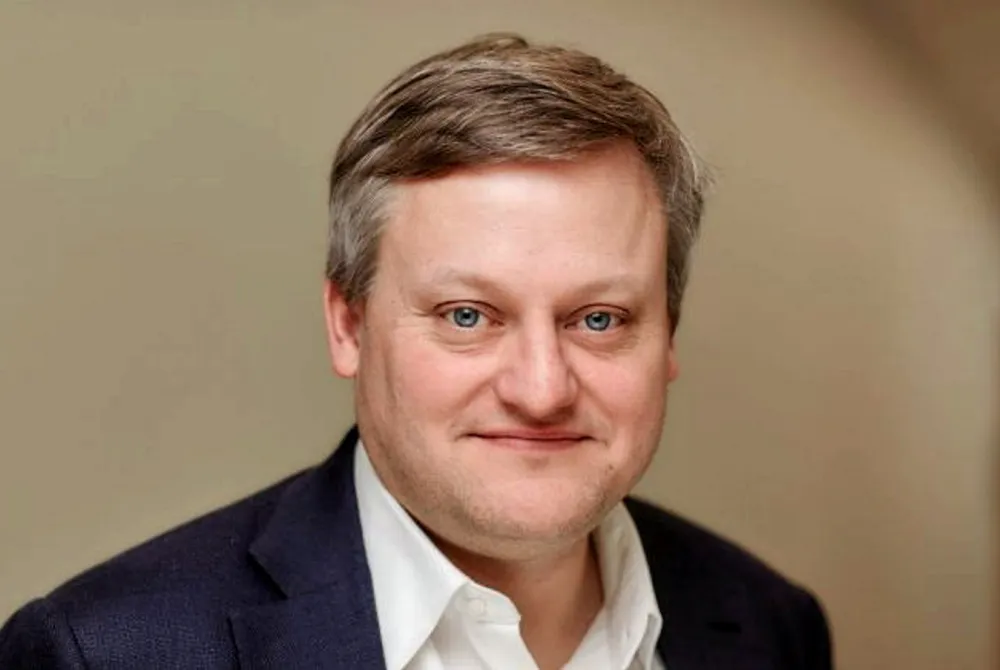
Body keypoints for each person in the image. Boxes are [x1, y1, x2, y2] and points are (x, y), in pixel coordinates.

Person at [0, 33, 832, 669]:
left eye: (599, 320)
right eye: (468, 315)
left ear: (669, 336)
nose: (541, 388)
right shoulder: (105, 652)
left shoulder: (769, 627)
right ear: (348, 325)